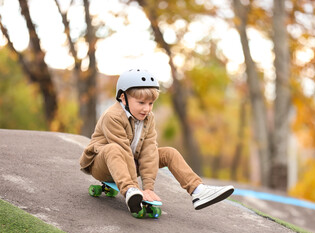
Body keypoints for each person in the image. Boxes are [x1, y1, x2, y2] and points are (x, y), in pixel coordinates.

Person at [79, 68, 234, 214]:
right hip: (102, 165)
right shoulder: (112, 116)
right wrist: (134, 186)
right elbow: (124, 151)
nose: (146, 108)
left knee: (169, 153)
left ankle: (198, 190)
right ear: (123, 98)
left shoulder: (148, 117)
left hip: (131, 163)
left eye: (150, 103)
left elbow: (148, 150)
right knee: (114, 148)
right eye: (141, 103)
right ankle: (130, 191)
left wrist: (148, 188)